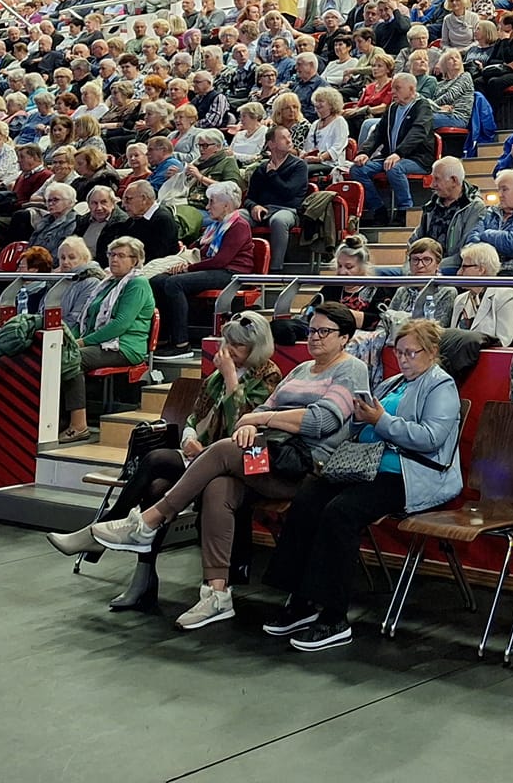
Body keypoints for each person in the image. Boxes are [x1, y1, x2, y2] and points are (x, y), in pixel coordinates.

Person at [91, 302, 370, 631]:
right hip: (270, 454)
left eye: (324, 332)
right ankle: (217, 593)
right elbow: (256, 412)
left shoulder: (351, 369)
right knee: (218, 486)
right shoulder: (300, 370)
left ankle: (150, 521)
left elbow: (320, 421)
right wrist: (254, 423)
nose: (314, 337)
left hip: (305, 465)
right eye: (311, 330)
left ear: (345, 337)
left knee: (224, 449)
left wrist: (261, 419)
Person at [45, 311, 282, 613]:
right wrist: (188, 438)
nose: (229, 350)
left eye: (238, 345)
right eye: (228, 342)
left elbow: (244, 425)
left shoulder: (269, 376)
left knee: (157, 459)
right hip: (198, 457)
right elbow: (195, 416)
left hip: (235, 465)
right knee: (156, 487)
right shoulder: (216, 375)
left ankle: (99, 535)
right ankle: (141, 578)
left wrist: (231, 379)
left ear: (257, 348)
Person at [258, 318, 462, 651]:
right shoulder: (392, 383)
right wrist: (359, 416)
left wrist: (380, 420)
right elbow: (362, 428)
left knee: (342, 512)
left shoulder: (441, 386)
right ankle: (301, 600)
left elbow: (430, 439)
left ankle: (334, 617)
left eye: (411, 353)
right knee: (309, 497)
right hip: (367, 465)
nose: (404, 359)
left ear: (432, 351)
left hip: (411, 474)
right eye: (399, 352)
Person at [56, 235, 154, 441]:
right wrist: (69, 339)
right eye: (111, 254)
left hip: (124, 347)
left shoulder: (138, 284)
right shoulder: (107, 283)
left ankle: (79, 424)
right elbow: (87, 319)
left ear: (135, 260)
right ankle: (57, 419)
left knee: (72, 358)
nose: (114, 259)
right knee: (55, 352)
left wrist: (82, 342)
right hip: (100, 343)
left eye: (121, 255)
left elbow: (120, 324)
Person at [151, 180, 255, 356]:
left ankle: (181, 344)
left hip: (231, 273)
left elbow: (220, 261)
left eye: (212, 202)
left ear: (226, 205)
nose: (207, 207)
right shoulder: (215, 227)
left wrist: (188, 268)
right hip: (215, 269)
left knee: (175, 283)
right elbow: (200, 251)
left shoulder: (239, 226)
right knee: (158, 280)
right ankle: (163, 338)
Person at [349, 72, 436, 225]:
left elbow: (418, 132)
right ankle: (378, 210)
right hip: (391, 156)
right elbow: (378, 133)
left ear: (411, 89)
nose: (392, 92)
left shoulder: (423, 106)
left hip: (418, 158)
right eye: (392, 88)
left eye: (397, 88)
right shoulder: (392, 108)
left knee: (394, 168)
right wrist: (364, 152)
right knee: (357, 170)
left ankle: (405, 211)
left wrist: (399, 153)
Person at [245, 124, 311, 273]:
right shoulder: (262, 168)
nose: (289, 141)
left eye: (289, 137)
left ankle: (275, 268)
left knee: (279, 220)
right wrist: (254, 206)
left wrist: (273, 174)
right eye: (283, 138)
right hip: (263, 210)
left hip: (288, 210)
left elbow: (289, 192)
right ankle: (241, 264)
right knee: (238, 217)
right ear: (271, 144)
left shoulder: (299, 166)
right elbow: (249, 198)